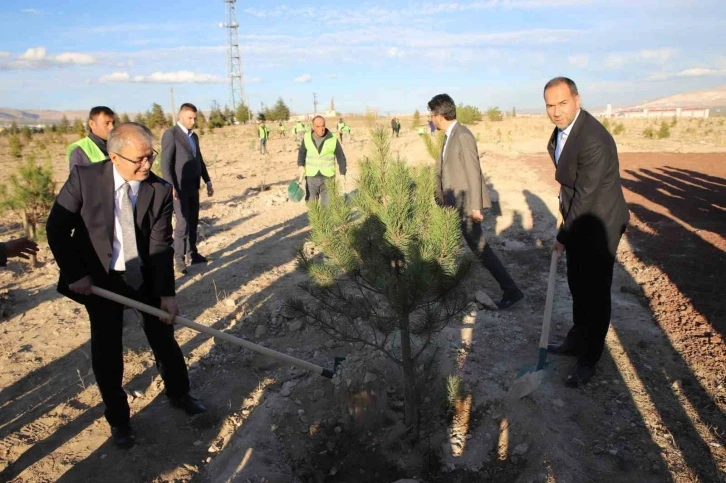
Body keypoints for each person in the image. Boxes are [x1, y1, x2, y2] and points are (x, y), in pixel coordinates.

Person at [46, 123, 206, 449]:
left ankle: (179, 394)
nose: (147, 165)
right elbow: (57, 228)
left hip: (142, 275)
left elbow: (160, 247)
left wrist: (167, 295)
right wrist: (76, 273)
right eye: (139, 160)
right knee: (107, 352)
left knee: (164, 339)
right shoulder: (85, 179)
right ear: (114, 156)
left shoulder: (159, 189)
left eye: (151, 157)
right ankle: (119, 419)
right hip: (100, 279)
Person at [543, 77, 630, 388]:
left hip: (600, 223)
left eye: (562, 103)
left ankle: (590, 357)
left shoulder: (593, 138)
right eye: (550, 105)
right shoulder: (563, 132)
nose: (555, 111)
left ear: (577, 100)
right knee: (578, 286)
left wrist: (562, 237)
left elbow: (586, 196)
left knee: (595, 292)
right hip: (580, 218)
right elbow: (570, 185)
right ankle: (577, 340)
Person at [428, 93, 524, 309]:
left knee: (480, 248)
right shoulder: (449, 136)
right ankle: (443, 289)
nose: (430, 119)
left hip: (464, 206)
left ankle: (511, 290)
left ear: (439, 115)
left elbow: (474, 171)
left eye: (431, 115)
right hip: (451, 204)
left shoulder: (462, 135)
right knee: (447, 244)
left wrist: (475, 206)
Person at [160, 103, 213, 276]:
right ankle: (179, 259)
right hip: (179, 188)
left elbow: (200, 160)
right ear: (181, 116)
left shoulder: (194, 137)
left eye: (195, 118)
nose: (193, 121)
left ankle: (193, 253)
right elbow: (165, 164)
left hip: (193, 187)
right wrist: (171, 186)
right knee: (182, 223)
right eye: (190, 118)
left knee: (192, 220)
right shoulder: (171, 134)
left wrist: (208, 180)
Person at [297, 115, 347, 205]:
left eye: (323, 125)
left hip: (328, 178)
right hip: (311, 178)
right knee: (312, 207)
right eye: (318, 126)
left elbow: (340, 156)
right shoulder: (307, 137)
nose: (321, 129)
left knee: (327, 207)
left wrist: (342, 173)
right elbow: (302, 152)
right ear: (313, 127)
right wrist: (300, 165)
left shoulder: (333, 138)